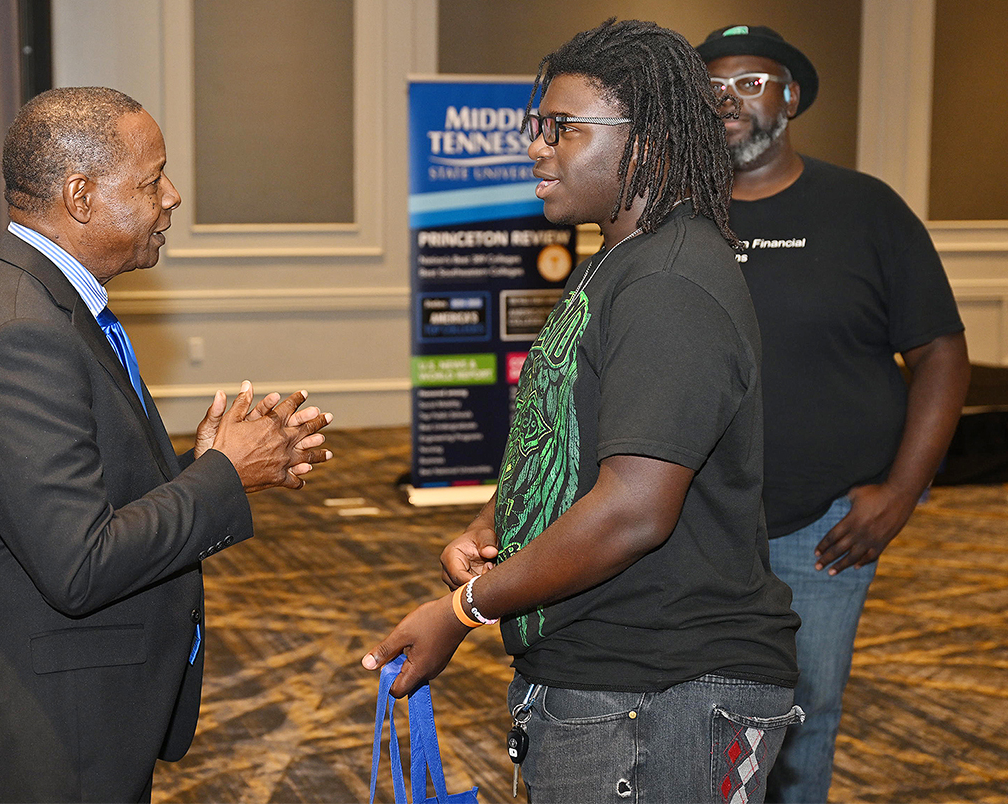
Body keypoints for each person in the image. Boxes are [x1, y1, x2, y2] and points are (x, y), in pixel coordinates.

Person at [364, 19, 803, 803]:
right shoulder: (619, 262)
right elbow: (576, 440)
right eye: (538, 126)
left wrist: (462, 611)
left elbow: (633, 511)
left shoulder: (670, 282)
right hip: (615, 680)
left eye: (562, 129)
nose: (535, 147)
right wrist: (501, 524)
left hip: (662, 689)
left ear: (652, 141)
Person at [0, 86, 332, 802]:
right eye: (151, 181)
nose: (171, 197)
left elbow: (78, 496)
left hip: (79, 711)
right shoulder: (23, 332)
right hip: (47, 736)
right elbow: (79, 563)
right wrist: (226, 476)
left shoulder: (52, 302)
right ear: (80, 196)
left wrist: (202, 468)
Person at [696, 25, 970, 803]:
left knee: (801, 716)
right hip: (685, 523)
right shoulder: (673, 212)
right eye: (715, 84)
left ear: (790, 97)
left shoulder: (865, 208)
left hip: (824, 532)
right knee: (691, 716)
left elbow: (941, 358)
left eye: (752, 82)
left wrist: (900, 496)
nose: (730, 99)